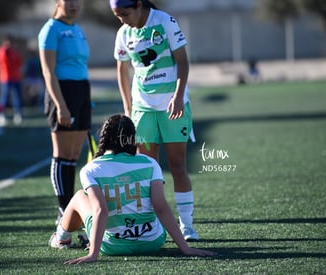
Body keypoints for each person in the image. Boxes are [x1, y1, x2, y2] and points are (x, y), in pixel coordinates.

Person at [48, 114, 215, 264]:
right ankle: (65, 237)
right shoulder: (150, 163)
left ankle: (62, 238)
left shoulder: (91, 169)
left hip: (112, 246)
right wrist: (185, 248)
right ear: (132, 137)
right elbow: (161, 207)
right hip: (152, 242)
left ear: (104, 137)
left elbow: (101, 210)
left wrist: (93, 254)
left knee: (78, 196)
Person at [110, 0, 200, 241]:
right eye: (117, 16)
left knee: (178, 166)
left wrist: (178, 97)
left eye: (125, 13)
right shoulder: (123, 33)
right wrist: (128, 109)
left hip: (173, 106)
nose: (122, 19)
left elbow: (182, 61)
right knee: (149, 171)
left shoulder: (164, 21)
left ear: (138, 5)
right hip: (143, 110)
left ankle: (187, 226)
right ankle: (153, 226)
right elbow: (122, 70)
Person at [38, 0, 91, 225]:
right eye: (69, 0)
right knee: (62, 155)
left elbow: (81, 65)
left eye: (78, 1)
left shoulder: (77, 29)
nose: (74, 5)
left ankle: (69, 209)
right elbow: (49, 73)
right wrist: (61, 105)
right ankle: (64, 210)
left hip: (81, 93)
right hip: (62, 93)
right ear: (58, 2)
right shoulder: (51, 30)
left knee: (73, 156)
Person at [0, 35, 23, 127]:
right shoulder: (2, 51)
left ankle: (18, 114)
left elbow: (19, 62)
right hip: (6, 78)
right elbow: (5, 62)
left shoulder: (13, 51)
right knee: (4, 97)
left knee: (17, 97)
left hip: (15, 77)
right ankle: (1, 115)